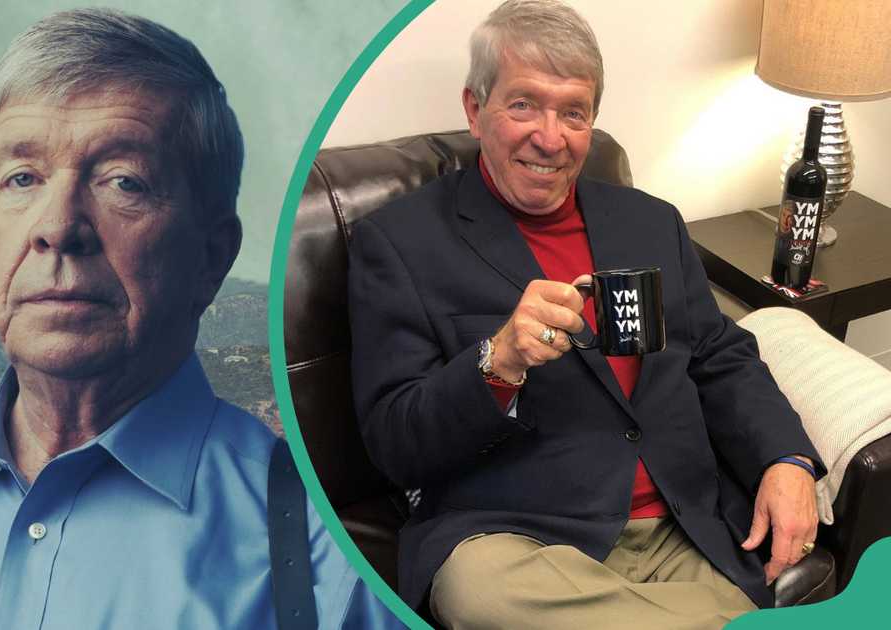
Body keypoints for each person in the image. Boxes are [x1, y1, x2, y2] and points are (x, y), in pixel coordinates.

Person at [0, 9, 400, 629]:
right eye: (22, 177)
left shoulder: (329, 558)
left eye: (123, 181)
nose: (58, 227)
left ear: (212, 256)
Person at [347, 1, 824, 628]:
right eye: (523, 104)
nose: (550, 137)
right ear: (474, 108)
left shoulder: (651, 221)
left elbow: (719, 356)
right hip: (520, 540)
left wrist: (785, 459)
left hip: (681, 530)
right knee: (478, 594)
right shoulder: (399, 243)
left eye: (573, 112)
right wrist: (498, 361)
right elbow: (393, 443)